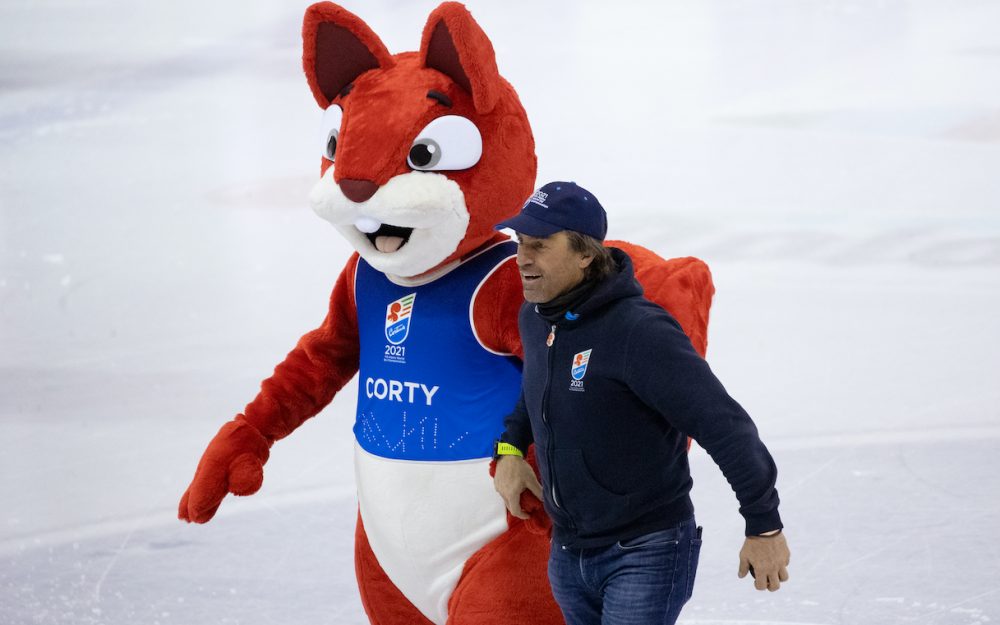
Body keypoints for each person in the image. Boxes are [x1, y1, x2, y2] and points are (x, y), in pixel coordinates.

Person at [491, 181, 791, 625]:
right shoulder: (537, 317)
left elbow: (726, 427)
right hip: (569, 550)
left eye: (539, 245)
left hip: (645, 550)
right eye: (519, 243)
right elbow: (536, 390)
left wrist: (764, 525)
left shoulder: (639, 332)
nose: (522, 257)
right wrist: (511, 448)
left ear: (585, 254)